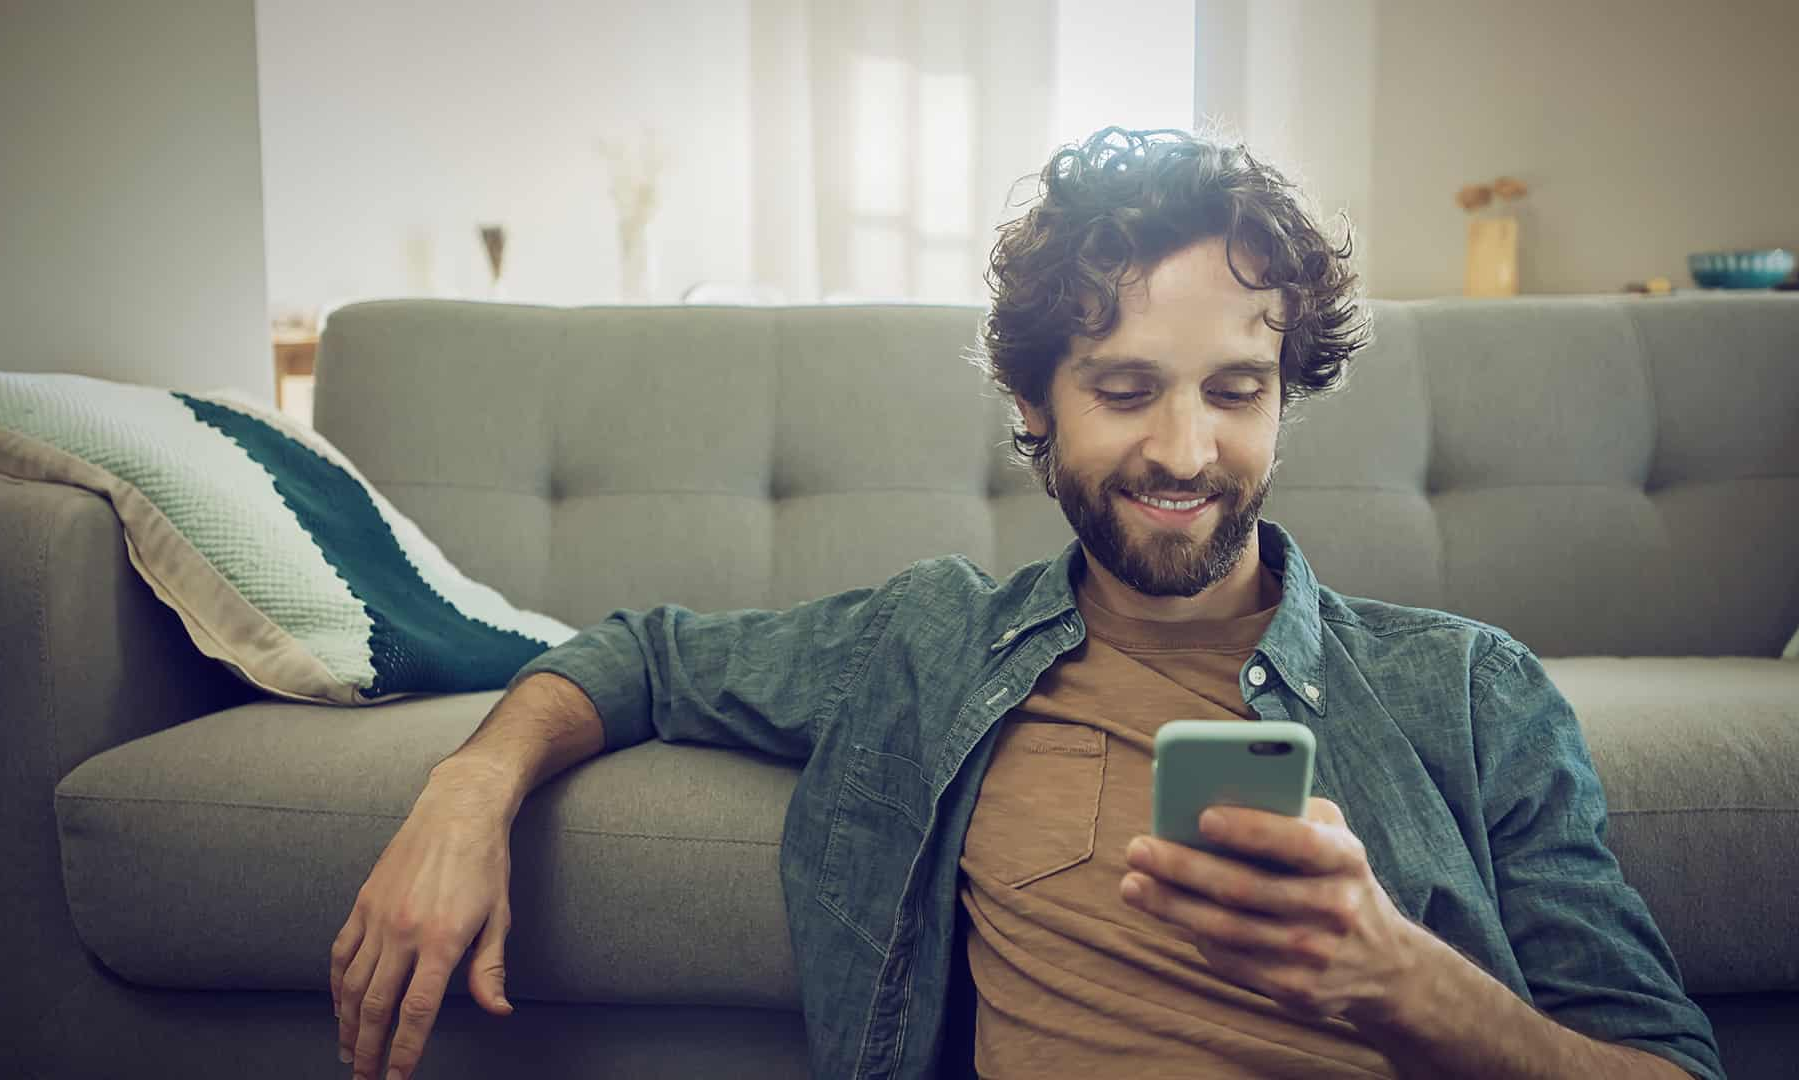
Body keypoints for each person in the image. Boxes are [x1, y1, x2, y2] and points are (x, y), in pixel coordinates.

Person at [328, 127, 1723, 1080]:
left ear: (1286, 397)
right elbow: (640, 658)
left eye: (1236, 392)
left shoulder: (1470, 694)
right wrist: (463, 803)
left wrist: (1408, 985)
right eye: (1125, 391)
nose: (1186, 452)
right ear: (1035, 405)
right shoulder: (929, 644)